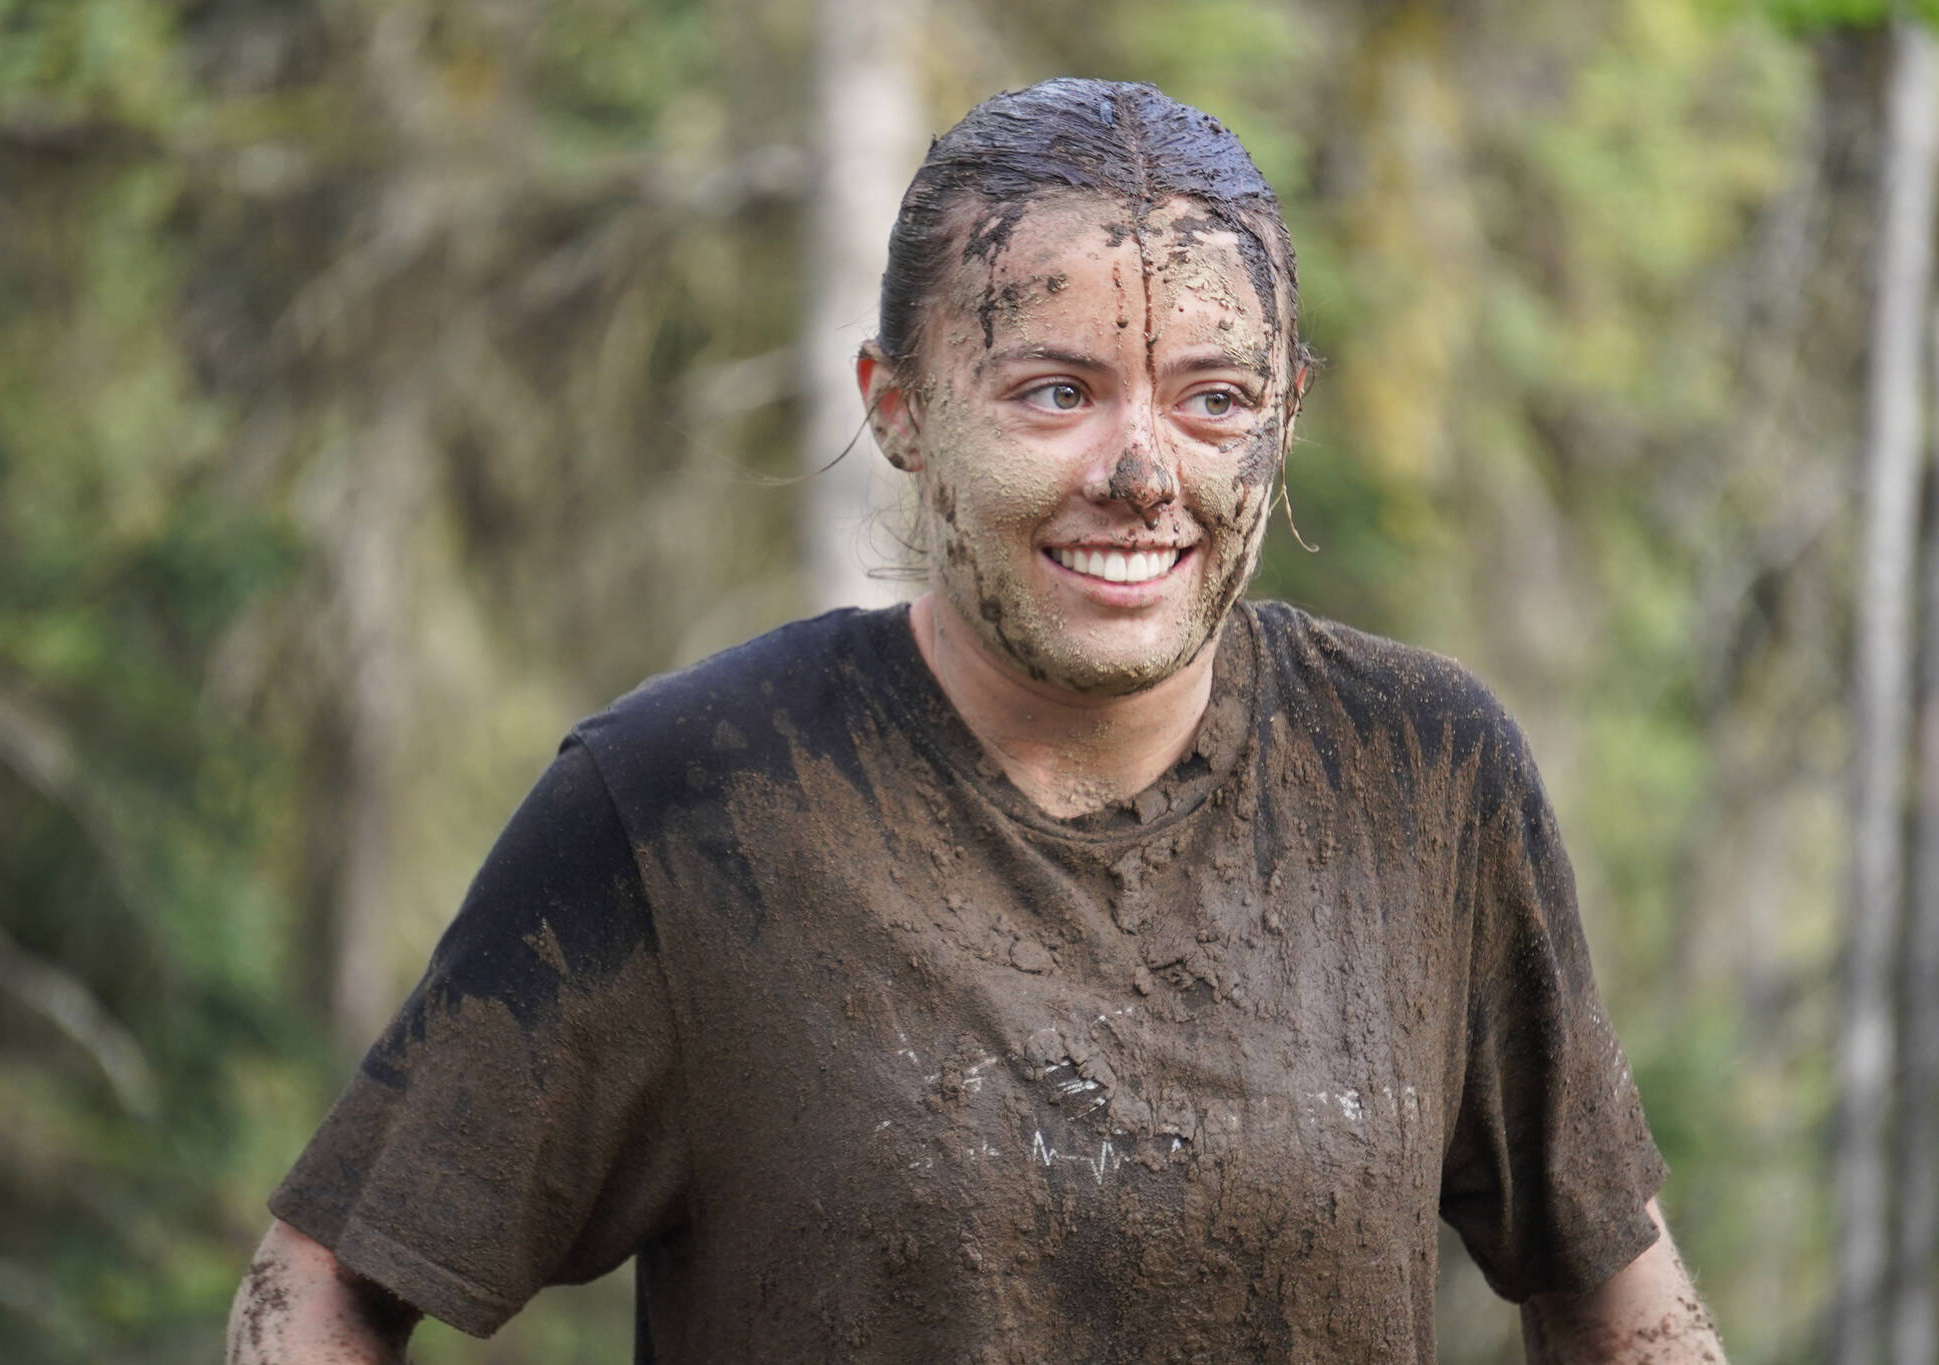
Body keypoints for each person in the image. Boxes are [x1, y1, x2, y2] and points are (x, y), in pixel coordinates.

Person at [227, 79, 1726, 1363]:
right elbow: (326, 1282)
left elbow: (1623, 1303)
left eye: (1214, 399)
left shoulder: (1423, 776)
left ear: (1288, 413)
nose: (1145, 473)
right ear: (898, 405)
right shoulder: (691, 805)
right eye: (1057, 391)